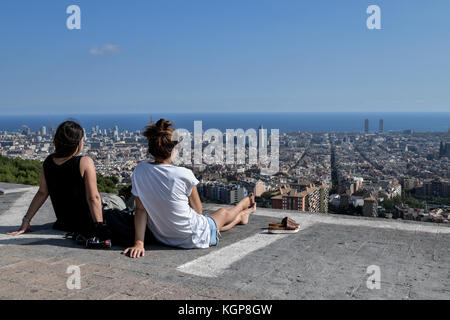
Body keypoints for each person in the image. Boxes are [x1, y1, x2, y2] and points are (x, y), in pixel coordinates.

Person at [123, 119, 256, 258]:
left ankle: (241, 216)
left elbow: (140, 210)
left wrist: (139, 243)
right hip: (192, 237)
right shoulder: (183, 174)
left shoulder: (139, 170)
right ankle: (243, 204)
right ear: (174, 150)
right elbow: (198, 211)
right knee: (222, 213)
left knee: (213, 227)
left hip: (163, 236)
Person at [7, 121, 109, 239]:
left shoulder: (48, 162)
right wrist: (99, 228)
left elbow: (42, 193)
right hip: (87, 223)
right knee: (115, 201)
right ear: (77, 143)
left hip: (63, 225)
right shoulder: (85, 162)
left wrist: (26, 221)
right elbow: (93, 198)